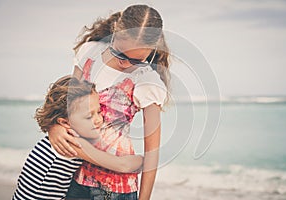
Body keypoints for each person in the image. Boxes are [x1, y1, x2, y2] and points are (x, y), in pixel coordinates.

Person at [48, 4, 170, 200]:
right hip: (75, 176)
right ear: (115, 33)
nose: (126, 64)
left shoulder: (148, 82)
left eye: (137, 60)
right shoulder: (89, 54)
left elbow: (152, 153)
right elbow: (67, 104)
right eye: (120, 53)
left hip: (116, 188)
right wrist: (54, 127)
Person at [12, 76, 143, 200]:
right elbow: (122, 165)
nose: (99, 120)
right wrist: (143, 160)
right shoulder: (71, 142)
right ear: (64, 122)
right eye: (88, 116)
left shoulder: (58, 133)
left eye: (98, 111)